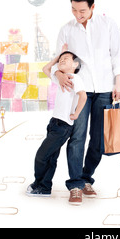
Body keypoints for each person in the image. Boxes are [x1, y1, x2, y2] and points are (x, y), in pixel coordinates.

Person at [51, 0, 120, 205]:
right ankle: (74, 184)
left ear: (93, 7)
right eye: (74, 10)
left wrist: (119, 84)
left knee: (98, 140)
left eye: (82, 10)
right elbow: (57, 61)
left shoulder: (108, 24)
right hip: (79, 90)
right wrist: (58, 75)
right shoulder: (66, 30)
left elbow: (116, 56)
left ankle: (86, 178)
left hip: (104, 89)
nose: (77, 15)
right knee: (77, 137)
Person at [26, 48, 87, 200]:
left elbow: (83, 96)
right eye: (60, 59)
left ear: (75, 64)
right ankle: (44, 187)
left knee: (41, 156)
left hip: (63, 126)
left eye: (66, 58)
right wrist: (56, 59)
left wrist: (76, 113)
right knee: (51, 158)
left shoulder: (75, 78)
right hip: (54, 123)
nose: (61, 60)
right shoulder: (61, 77)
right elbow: (45, 68)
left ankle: (39, 183)